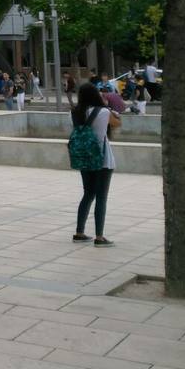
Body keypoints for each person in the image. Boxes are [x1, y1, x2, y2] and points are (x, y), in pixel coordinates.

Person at [72, 82, 120, 247]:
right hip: (102, 159)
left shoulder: (76, 112)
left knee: (88, 194)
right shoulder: (104, 112)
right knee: (101, 197)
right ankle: (99, 237)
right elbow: (117, 123)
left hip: (84, 157)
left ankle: (79, 232)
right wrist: (109, 107)